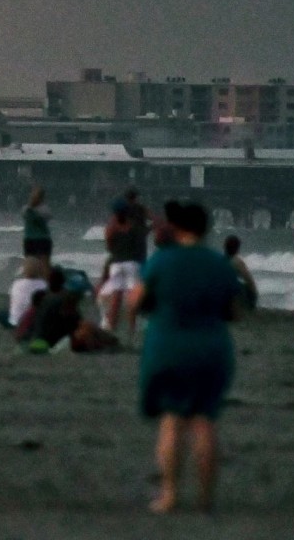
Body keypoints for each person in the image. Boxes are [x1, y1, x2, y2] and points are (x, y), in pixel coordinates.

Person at [130, 202, 240, 514]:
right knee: (205, 421)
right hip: (212, 348)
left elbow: (136, 302)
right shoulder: (220, 264)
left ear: (177, 228)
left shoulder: (162, 260)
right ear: (206, 229)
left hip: (168, 347)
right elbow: (234, 311)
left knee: (172, 420)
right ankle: (206, 500)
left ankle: (170, 495)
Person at [101, 191, 150, 339]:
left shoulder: (111, 227)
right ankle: (131, 328)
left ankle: (111, 325)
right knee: (132, 296)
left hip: (116, 263)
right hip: (132, 263)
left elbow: (109, 247)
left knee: (116, 296)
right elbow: (140, 240)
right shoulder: (132, 226)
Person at [0, 257, 49, 330]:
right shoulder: (44, 285)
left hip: (17, 322)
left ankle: (14, 328)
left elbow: (11, 300)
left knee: (1, 314)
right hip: (36, 322)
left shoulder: (17, 284)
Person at [222, 235, 257, 312]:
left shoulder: (219, 259)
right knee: (243, 286)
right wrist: (254, 296)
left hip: (219, 293)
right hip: (230, 294)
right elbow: (249, 279)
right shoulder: (237, 261)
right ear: (237, 248)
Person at [22, 187, 52, 260]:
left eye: (35, 195)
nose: (33, 196)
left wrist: (33, 208)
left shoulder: (44, 209)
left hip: (41, 239)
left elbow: (47, 216)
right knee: (31, 262)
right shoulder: (26, 208)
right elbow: (24, 215)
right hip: (31, 239)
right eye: (32, 195)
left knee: (42, 262)